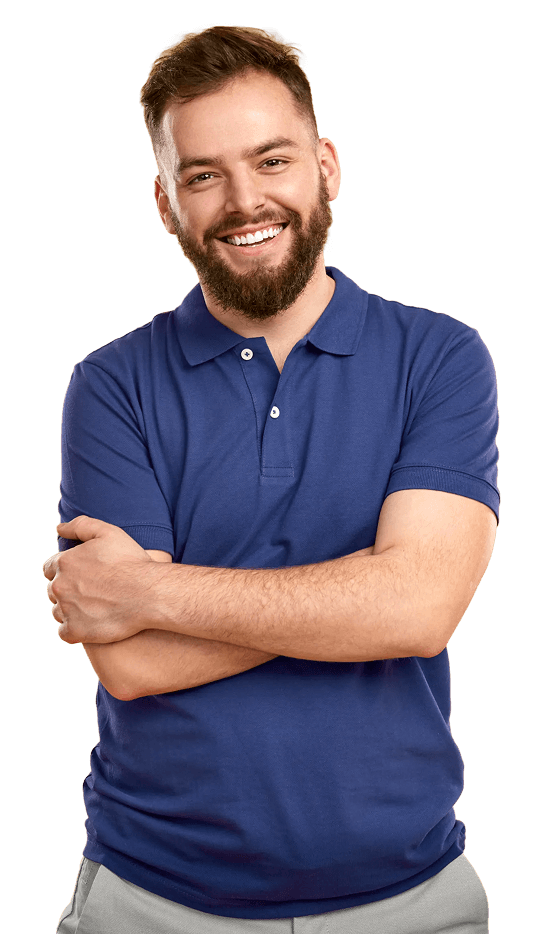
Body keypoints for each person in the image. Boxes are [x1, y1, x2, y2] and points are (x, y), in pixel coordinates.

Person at [43, 25, 499, 934]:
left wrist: (152, 592)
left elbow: (419, 611)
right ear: (166, 203)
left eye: (272, 160)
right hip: (151, 900)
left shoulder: (441, 358)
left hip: (409, 899)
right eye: (202, 175)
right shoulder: (112, 385)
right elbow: (130, 662)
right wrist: (358, 593)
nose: (245, 200)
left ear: (326, 166)